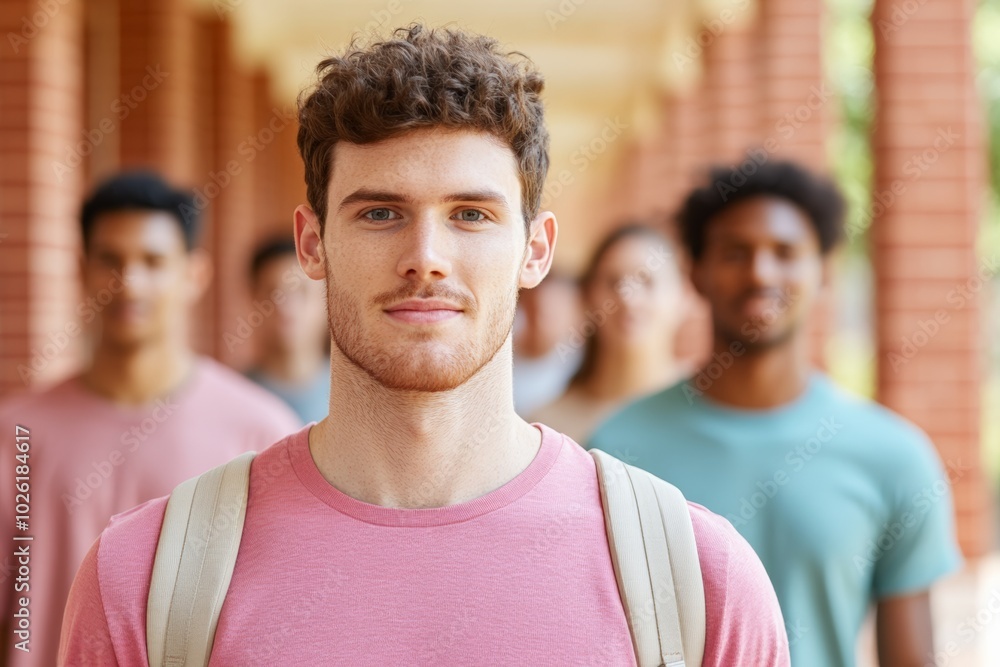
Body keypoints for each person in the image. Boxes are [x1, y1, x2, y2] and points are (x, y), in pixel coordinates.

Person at [59, 26, 790, 665]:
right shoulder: (145, 578)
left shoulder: (699, 580)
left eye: (471, 214)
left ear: (536, 250)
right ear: (312, 243)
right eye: (380, 212)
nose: (427, 256)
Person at [590, 161, 963, 666]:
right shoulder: (617, 451)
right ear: (696, 273)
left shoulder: (893, 457)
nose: (760, 272)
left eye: (785, 253)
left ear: (824, 272)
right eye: (735, 253)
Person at [0, 172, 301, 667]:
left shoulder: (260, 433)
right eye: (110, 260)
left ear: (193, 276)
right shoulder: (19, 436)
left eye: (153, 261)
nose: (129, 282)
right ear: (82, 269)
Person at [531, 223, 690, 443]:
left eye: (647, 282)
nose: (629, 299)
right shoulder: (547, 430)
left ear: (684, 296)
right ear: (586, 298)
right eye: (613, 283)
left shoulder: (712, 404)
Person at [244, 237, 331, 423]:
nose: (287, 307)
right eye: (273, 293)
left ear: (327, 301)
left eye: (301, 292)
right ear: (253, 299)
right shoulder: (234, 397)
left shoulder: (359, 396)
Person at [512, 270, 583, 416]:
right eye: (536, 310)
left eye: (554, 313)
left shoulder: (583, 361)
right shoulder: (501, 346)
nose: (543, 320)